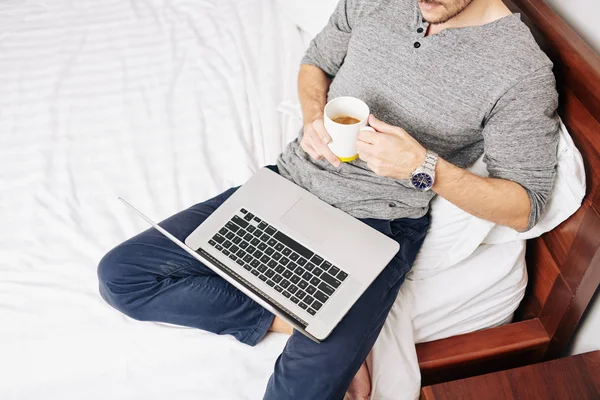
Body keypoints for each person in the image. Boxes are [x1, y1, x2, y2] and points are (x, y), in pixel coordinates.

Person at [97, 0, 559, 398]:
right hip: (290, 185)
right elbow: (316, 61)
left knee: (301, 390)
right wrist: (315, 117)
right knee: (123, 277)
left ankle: (319, 321)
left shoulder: (521, 71)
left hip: (379, 224)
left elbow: (525, 206)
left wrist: (423, 168)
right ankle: (293, 318)